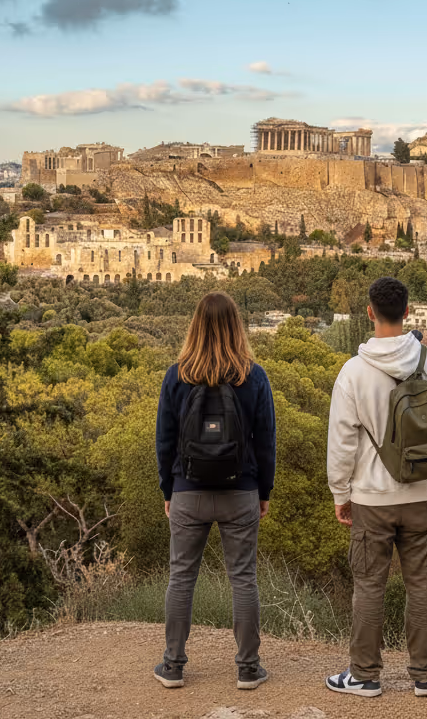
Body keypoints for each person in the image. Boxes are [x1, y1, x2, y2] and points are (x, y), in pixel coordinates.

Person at [324, 277, 427, 698]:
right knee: (422, 583)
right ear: (407, 312)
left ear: (370, 313)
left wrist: (340, 494)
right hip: (422, 493)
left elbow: (341, 442)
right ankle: (425, 675)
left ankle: (364, 676)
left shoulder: (352, 372)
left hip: (371, 497)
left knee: (370, 584)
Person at [154, 292, 276, 691]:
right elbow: (265, 442)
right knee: (243, 577)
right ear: (237, 326)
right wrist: (264, 491)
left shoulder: (176, 375)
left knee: (181, 576)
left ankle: (173, 666)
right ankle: (247, 668)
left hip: (188, 489)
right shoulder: (253, 377)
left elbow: (165, 441)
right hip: (241, 490)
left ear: (195, 326)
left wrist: (168, 489)